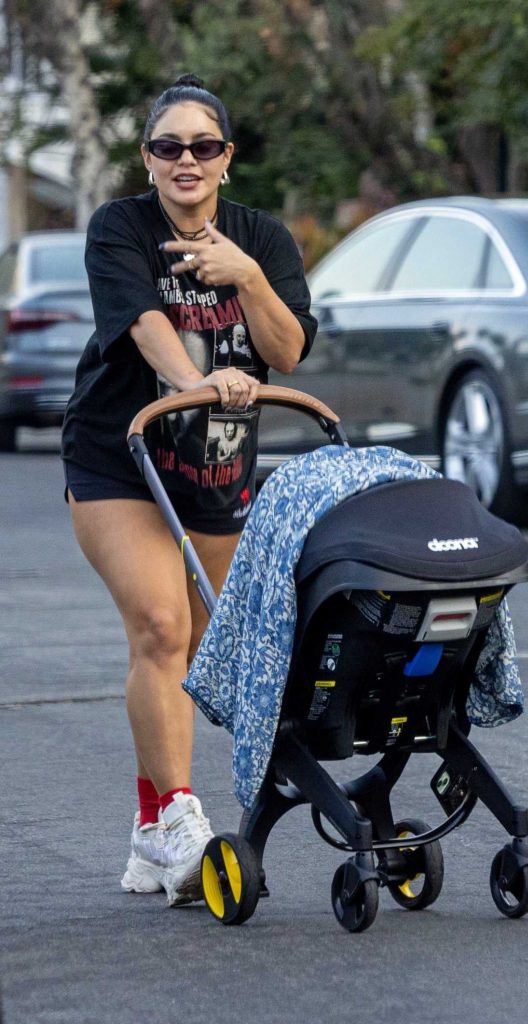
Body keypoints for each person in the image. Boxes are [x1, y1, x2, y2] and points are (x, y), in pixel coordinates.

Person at [61, 73, 317, 906]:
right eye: (168, 146)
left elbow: (287, 353)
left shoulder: (260, 239)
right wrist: (195, 384)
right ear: (147, 158)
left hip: (214, 473)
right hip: (119, 461)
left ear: (226, 160)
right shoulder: (119, 229)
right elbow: (146, 326)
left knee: (192, 657)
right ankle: (179, 818)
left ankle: (147, 829)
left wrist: (246, 276)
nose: (185, 160)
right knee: (160, 626)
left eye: (202, 146)